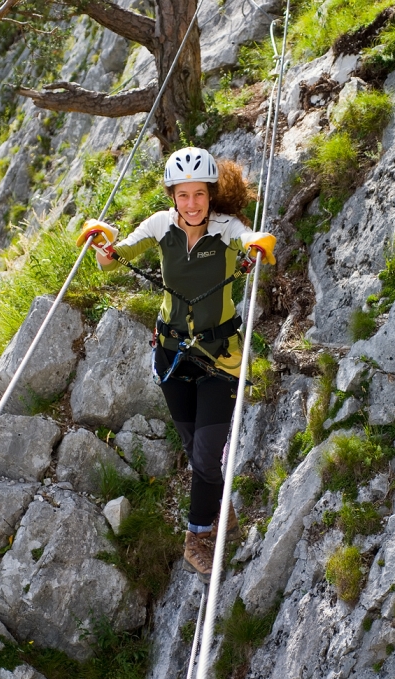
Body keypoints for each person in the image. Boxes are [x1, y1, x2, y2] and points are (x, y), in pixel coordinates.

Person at [77, 147, 276, 583]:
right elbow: (115, 256)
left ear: (211, 193)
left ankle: (197, 537)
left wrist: (257, 244)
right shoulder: (160, 225)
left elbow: (247, 238)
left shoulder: (226, 230)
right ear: (173, 195)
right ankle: (221, 510)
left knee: (206, 455)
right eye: (183, 195)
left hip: (221, 358)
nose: (191, 204)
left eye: (199, 194)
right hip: (171, 355)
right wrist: (102, 242)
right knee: (196, 453)